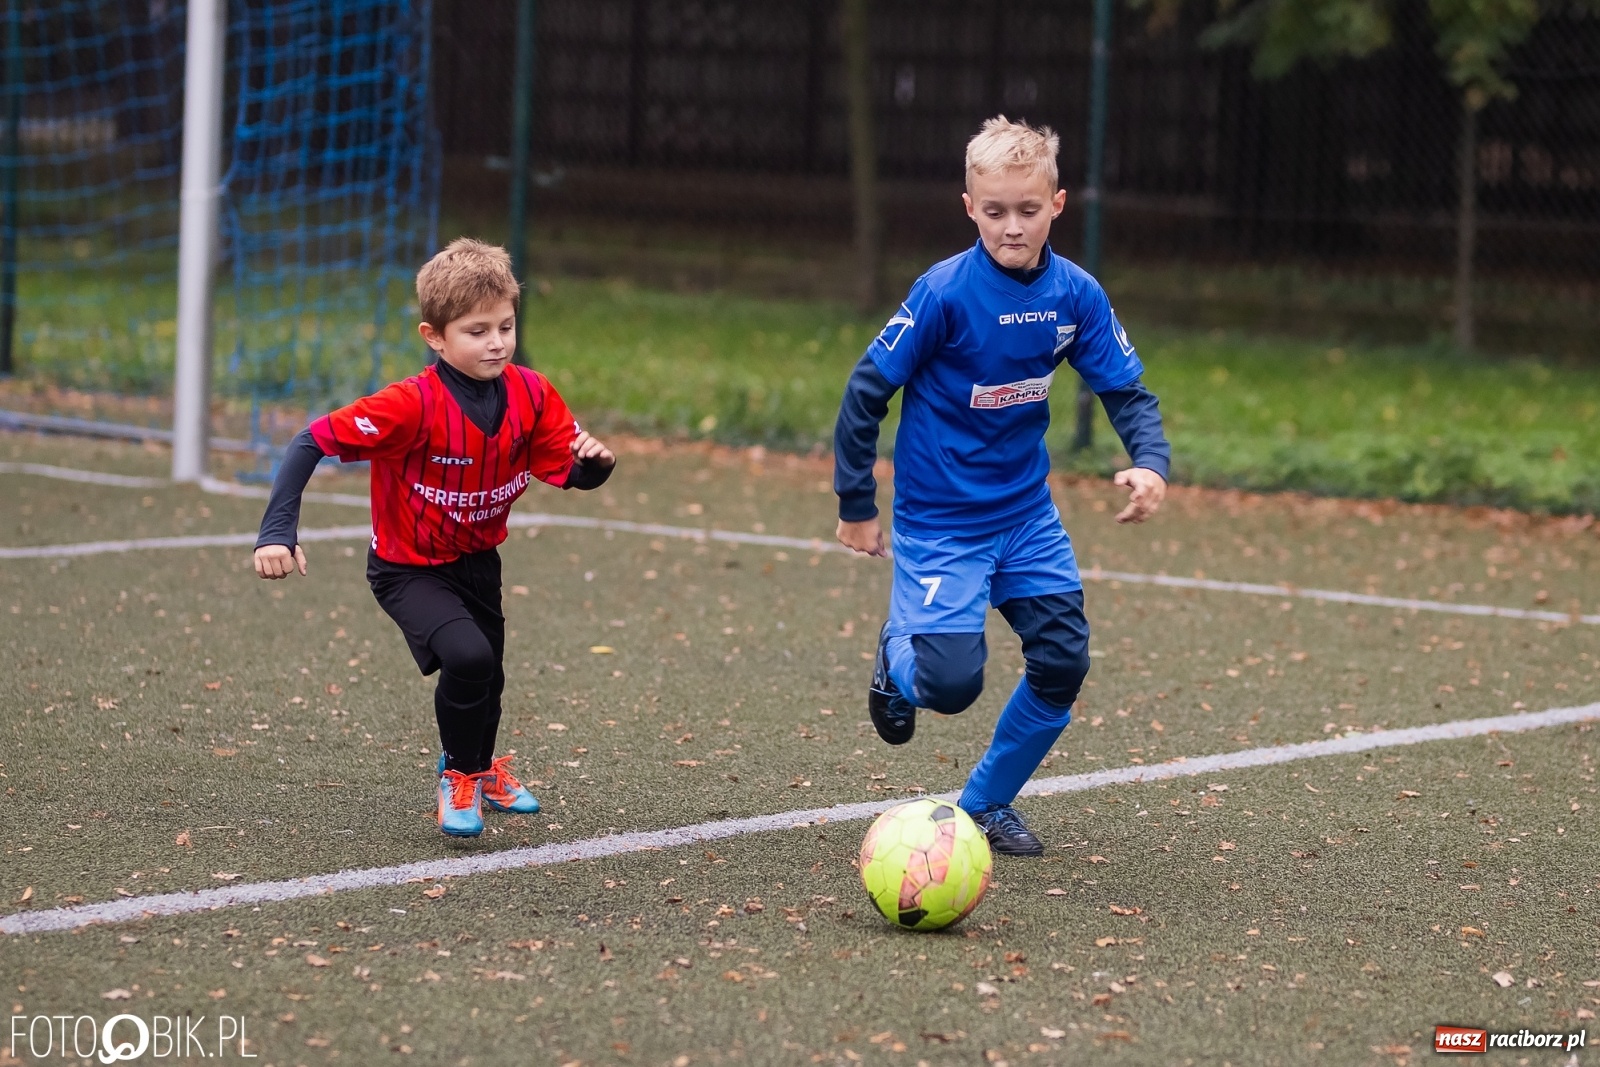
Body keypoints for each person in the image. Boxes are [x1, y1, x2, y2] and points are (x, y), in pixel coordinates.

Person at [832, 116, 1171, 857]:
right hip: (941, 520)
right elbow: (865, 392)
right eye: (994, 211)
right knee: (950, 686)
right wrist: (857, 505)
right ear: (969, 207)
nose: (1011, 227)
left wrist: (1149, 461)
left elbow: (1128, 391)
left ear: (1057, 204)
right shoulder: (943, 292)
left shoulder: (1076, 294)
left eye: (1027, 209)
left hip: (1025, 516)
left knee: (1063, 660)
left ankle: (984, 803)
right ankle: (897, 656)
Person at [253, 237, 615, 838]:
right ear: (434, 336)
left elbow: (570, 473)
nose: (496, 341)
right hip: (407, 567)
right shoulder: (409, 405)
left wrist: (595, 466)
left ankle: (482, 771)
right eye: (477, 331)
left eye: (505, 325)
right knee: (468, 658)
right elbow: (310, 440)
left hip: (478, 559)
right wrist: (276, 532)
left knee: (489, 671)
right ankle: (458, 777)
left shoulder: (532, 393)